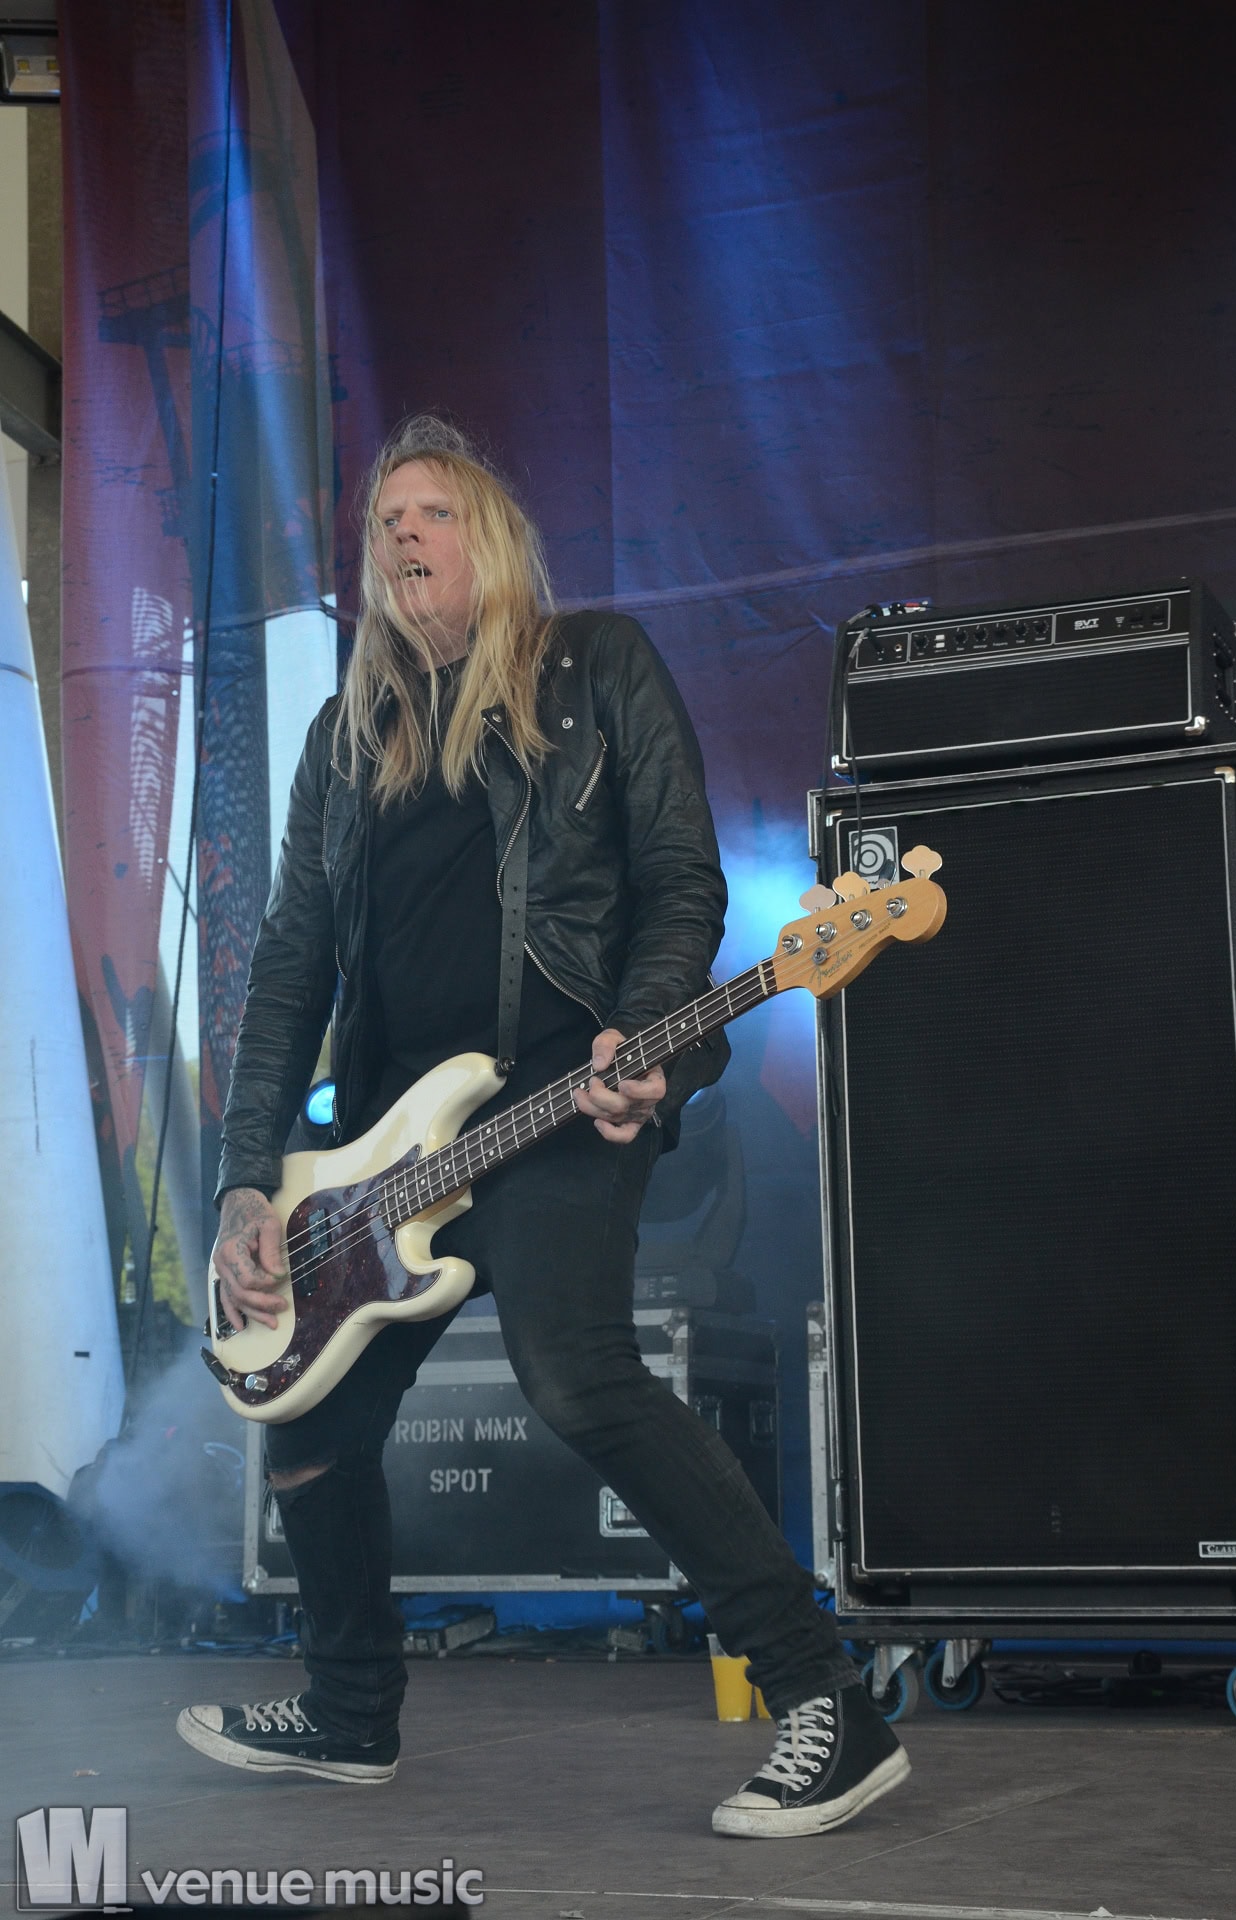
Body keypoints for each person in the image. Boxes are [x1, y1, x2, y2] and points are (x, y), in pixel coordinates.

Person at [176, 416, 909, 1838]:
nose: (400, 534)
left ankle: (830, 1698)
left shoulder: (597, 670)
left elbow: (680, 880)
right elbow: (289, 964)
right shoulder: (345, 739)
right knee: (306, 1411)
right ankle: (348, 1711)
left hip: (561, 1099)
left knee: (576, 1377)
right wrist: (246, 1182)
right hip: (384, 1151)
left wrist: (644, 1037)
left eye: (431, 511)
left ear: (494, 538)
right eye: (383, 521)